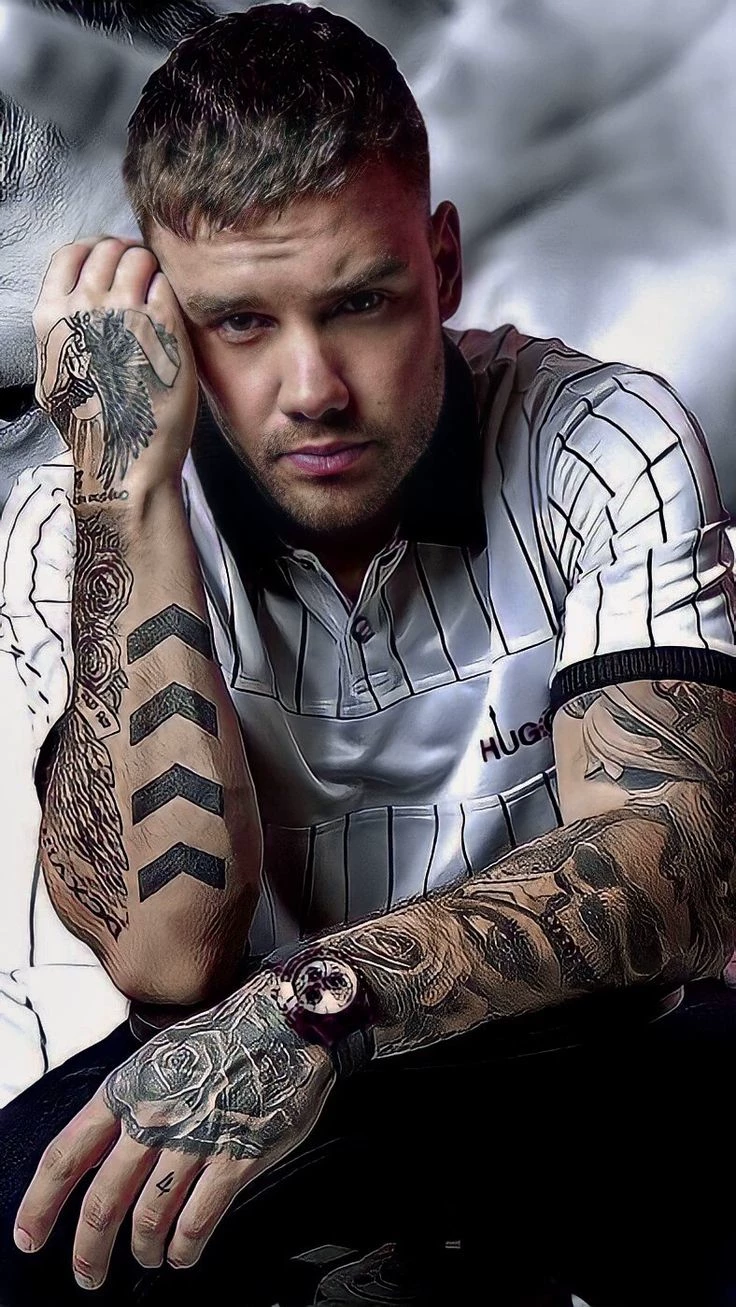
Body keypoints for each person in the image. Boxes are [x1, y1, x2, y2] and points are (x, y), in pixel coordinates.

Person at [0, 5, 735, 1305]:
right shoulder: (78, 515)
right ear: (168, 322)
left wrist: (316, 1006)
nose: (314, 390)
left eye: (361, 303)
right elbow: (167, 955)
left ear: (442, 264)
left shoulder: (598, 432)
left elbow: (674, 866)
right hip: (232, 1078)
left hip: (578, 1055)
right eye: (238, 324)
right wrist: (131, 490)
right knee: (31, 1234)